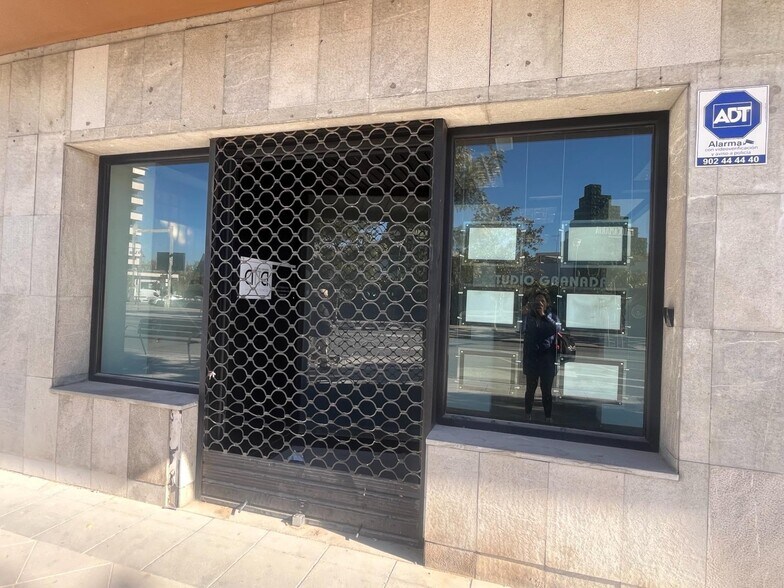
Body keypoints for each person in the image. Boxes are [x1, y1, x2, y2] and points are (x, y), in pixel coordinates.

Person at [521, 291, 560, 422]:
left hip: (546, 360)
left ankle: (548, 417)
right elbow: (522, 330)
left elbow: (557, 329)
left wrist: (543, 316)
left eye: (542, 301)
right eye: (537, 301)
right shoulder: (529, 317)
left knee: (546, 391)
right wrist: (525, 314)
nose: (539, 303)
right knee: (530, 389)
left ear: (547, 304)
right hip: (532, 359)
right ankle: (527, 415)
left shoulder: (552, 316)